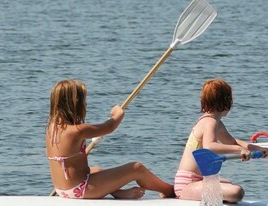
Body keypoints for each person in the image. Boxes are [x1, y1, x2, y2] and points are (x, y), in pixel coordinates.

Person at [46, 79, 174, 199]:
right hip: (80, 189)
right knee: (136, 168)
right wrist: (118, 113)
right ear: (75, 104)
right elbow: (109, 126)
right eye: (83, 101)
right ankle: (168, 191)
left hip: (62, 189)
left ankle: (119, 193)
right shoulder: (78, 130)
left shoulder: (51, 128)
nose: (85, 104)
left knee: (97, 170)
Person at [173, 79, 268, 202]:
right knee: (236, 192)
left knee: (230, 184)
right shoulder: (210, 122)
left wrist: (257, 148)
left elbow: (232, 142)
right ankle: (183, 194)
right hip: (188, 183)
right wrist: (239, 150)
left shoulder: (216, 123)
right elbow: (210, 146)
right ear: (226, 102)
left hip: (199, 179)